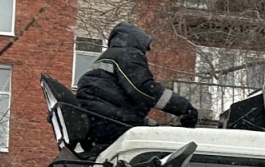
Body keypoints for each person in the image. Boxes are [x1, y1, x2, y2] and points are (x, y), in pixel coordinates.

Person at [74, 23, 199, 155]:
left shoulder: (109, 56)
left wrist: (154, 125)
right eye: (145, 49)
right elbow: (144, 90)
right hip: (109, 124)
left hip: (98, 124)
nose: (145, 54)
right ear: (136, 42)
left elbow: (119, 107)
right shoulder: (128, 54)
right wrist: (185, 108)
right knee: (161, 151)